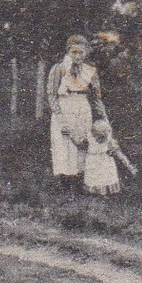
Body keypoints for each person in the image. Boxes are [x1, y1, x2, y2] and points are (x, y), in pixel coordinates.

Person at [48, 36, 106, 182]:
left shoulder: (90, 71)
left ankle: (80, 182)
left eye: (81, 52)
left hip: (82, 109)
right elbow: (52, 95)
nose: (77, 56)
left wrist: (104, 118)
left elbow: (96, 98)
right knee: (64, 146)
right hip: (64, 109)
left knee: (82, 143)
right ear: (68, 52)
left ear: (86, 52)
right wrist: (60, 118)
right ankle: (65, 184)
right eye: (74, 52)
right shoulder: (59, 69)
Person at [83, 118, 136, 196]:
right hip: (96, 163)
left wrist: (129, 165)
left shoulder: (107, 141)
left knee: (102, 177)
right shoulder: (90, 139)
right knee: (98, 177)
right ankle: (97, 191)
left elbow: (119, 154)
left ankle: (102, 191)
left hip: (99, 163)